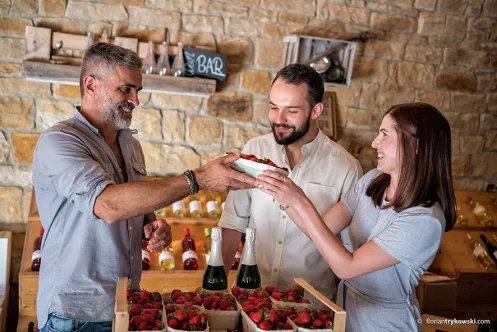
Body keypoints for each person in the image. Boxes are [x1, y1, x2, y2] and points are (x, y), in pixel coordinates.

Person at [32, 43, 256, 332]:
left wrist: (149, 225)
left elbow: (129, 207)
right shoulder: (59, 142)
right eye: (126, 89)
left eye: (138, 90)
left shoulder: (131, 146)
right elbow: (108, 205)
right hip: (75, 313)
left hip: (126, 304)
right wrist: (197, 179)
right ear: (90, 84)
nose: (136, 100)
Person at [257, 102, 456, 331]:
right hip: (347, 314)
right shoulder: (372, 182)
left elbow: (346, 267)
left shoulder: (424, 220)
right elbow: (321, 229)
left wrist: (299, 200)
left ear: (415, 145)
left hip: (386, 324)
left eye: (384, 134)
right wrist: (281, 193)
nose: (374, 143)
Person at [219, 64, 362, 300]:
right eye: (273, 107)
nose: (279, 119)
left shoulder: (346, 168)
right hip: (250, 298)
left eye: (291, 111)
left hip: (312, 306)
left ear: (316, 111)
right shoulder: (254, 150)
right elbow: (234, 222)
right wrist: (215, 289)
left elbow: (349, 251)